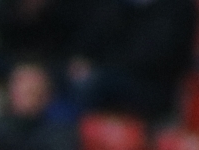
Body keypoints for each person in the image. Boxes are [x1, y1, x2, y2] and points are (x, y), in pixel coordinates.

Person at [67, 0, 198, 126]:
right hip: (111, 73)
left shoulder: (177, 8)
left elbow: (153, 56)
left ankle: (71, 132)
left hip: (151, 86)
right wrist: (83, 60)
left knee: (92, 84)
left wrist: (99, 68)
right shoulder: (118, 5)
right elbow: (95, 36)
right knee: (69, 76)